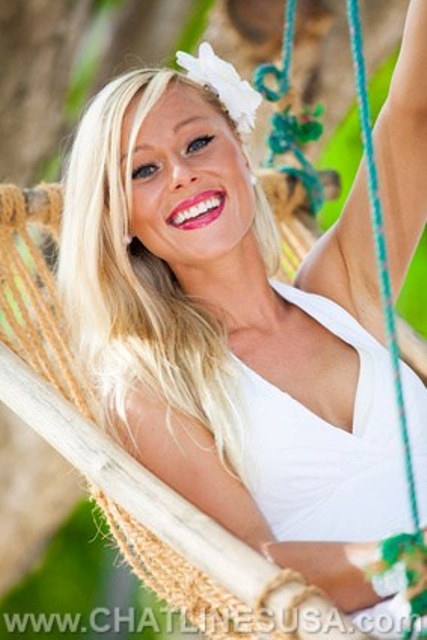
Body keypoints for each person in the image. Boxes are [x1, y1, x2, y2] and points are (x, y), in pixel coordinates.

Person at [57, 0, 427, 635]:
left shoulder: (343, 294)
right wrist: (408, 560)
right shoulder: (154, 388)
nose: (183, 174)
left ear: (241, 153)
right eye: (144, 170)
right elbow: (249, 568)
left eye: (198, 142)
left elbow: (414, 116)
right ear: (119, 220)